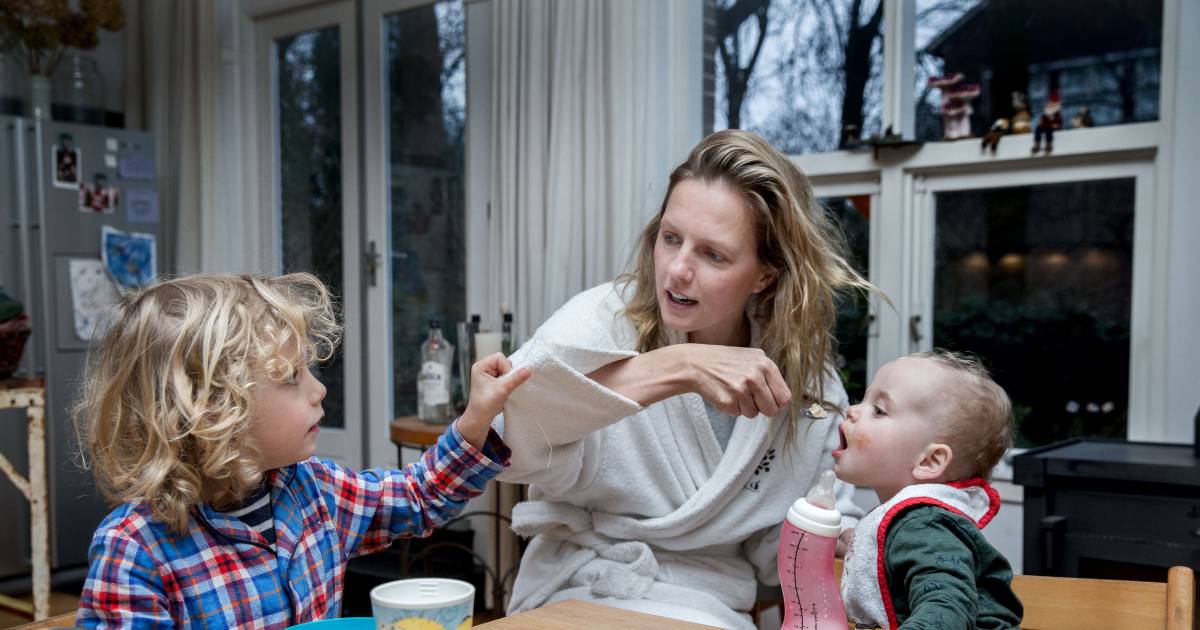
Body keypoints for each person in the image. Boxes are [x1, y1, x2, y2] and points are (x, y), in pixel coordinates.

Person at [495, 129, 875, 629]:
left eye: (713, 255)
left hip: (706, 605)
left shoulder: (805, 382)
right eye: (670, 238)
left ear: (764, 275)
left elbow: (785, 543)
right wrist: (680, 367)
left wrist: (849, 538)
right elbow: (494, 440)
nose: (676, 270)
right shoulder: (601, 322)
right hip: (579, 589)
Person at [72, 273, 531, 628]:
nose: (318, 389)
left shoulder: (315, 491)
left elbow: (416, 495)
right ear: (213, 407)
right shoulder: (135, 550)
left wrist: (474, 421)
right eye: (292, 376)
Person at [834, 350, 1024, 629]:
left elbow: (948, 610)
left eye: (878, 410)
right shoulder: (914, 523)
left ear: (930, 460)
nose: (852, 410)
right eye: (863, 398)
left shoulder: (925, 526)